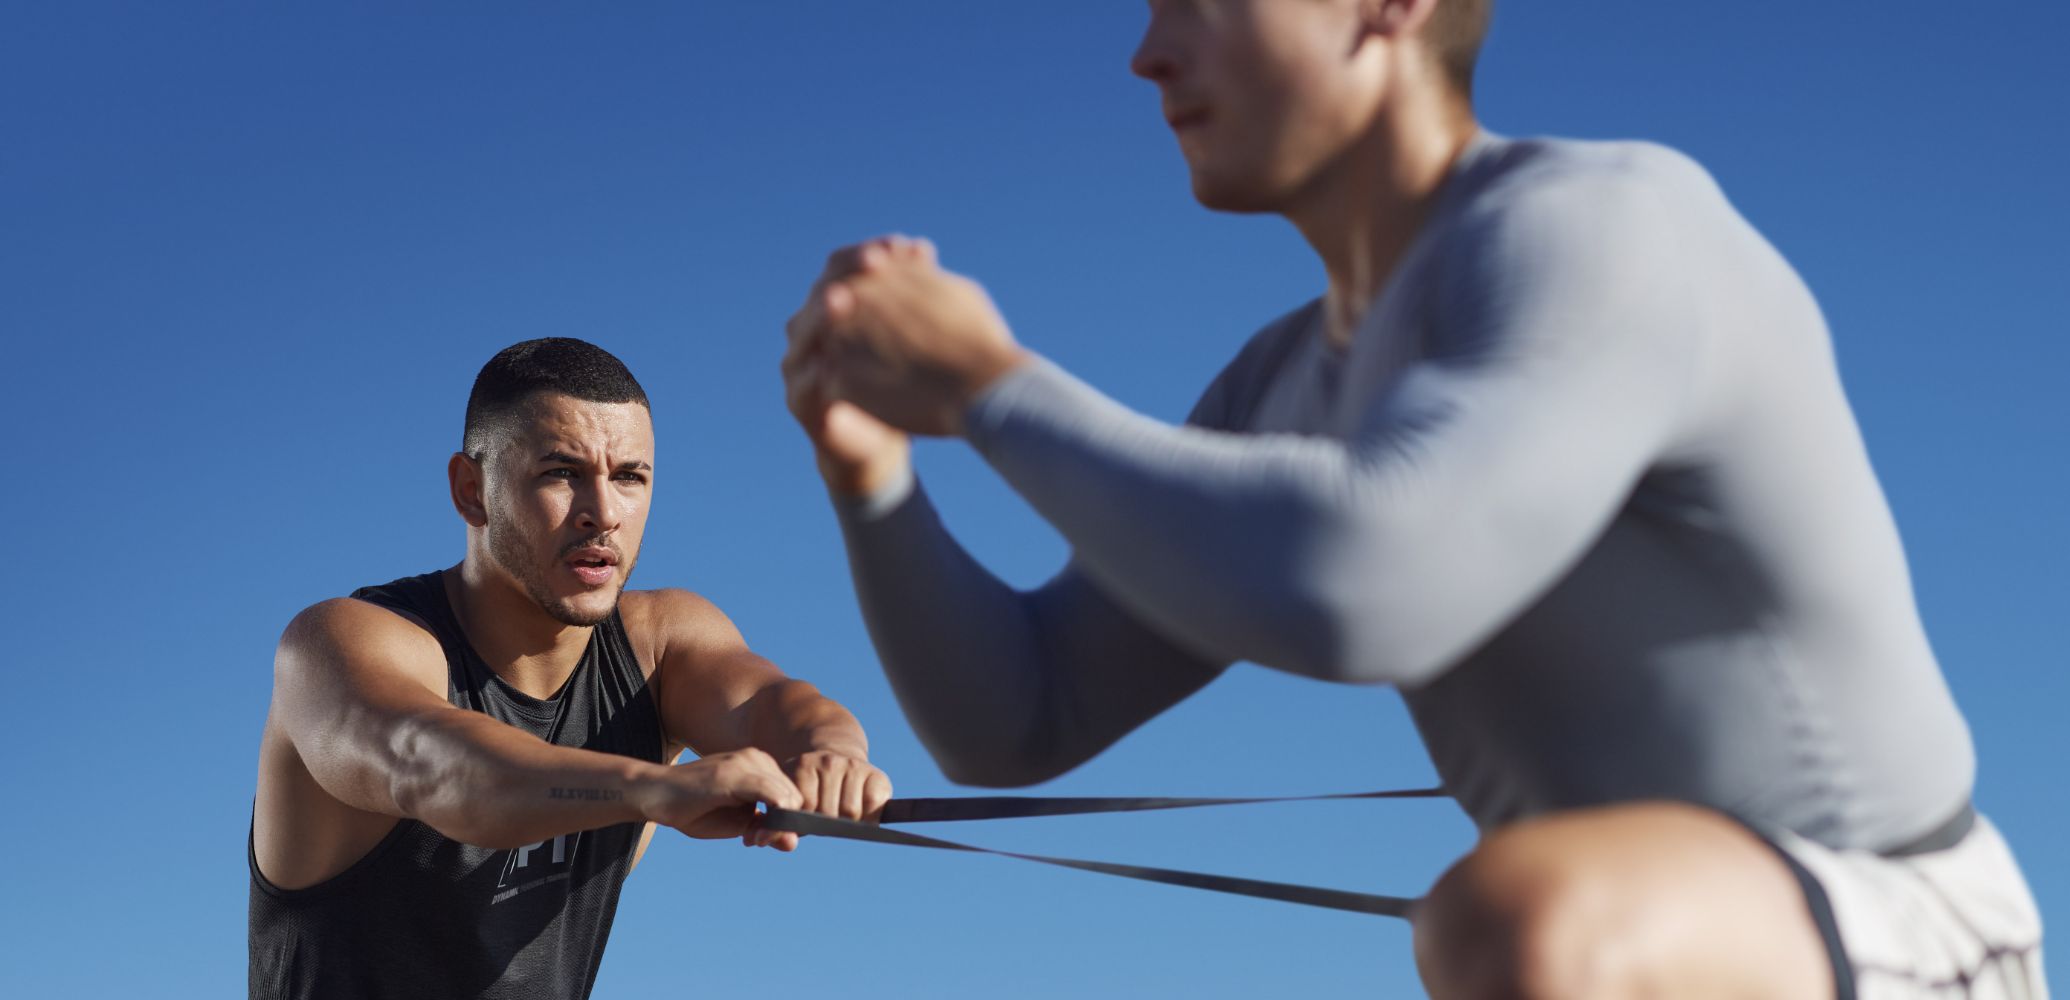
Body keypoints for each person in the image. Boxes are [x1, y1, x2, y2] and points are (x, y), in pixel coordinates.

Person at [778, 1, 2044, 997]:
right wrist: (874, 473)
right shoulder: (1286, 377)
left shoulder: (1601, 229)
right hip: (1626, 945)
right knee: (1519, 919)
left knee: (1511, 918)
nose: (1147, 55)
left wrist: (992, 385)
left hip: (1905, 932)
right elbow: (1019, 716)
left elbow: (1362, 582)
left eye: (1199, 0)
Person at [251, 338, 892, 1000]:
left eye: (629, 477)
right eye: (561, 473)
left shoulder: (662, 643)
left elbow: (770, 705)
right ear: (472, 490)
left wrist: (831, 755)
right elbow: (440, 770)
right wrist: (648, 790)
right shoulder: (342, 645)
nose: (604, 514)